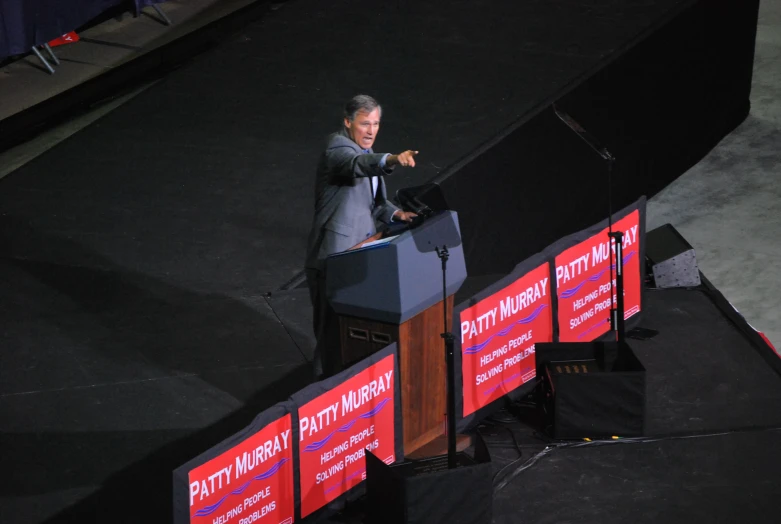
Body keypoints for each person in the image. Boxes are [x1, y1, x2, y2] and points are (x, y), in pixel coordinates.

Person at [304, 94, 418, 378]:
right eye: (365, 123)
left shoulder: (367, 155)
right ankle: (322, 392)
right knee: (330, 335)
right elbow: (357, 165)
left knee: (353, 330)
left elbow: (375, 203)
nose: (370, 130)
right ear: (348, 122)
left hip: (361, 256)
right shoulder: (338, 148)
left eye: (376, 124)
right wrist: (392, 159)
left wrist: (397, 215)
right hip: (333, 259)